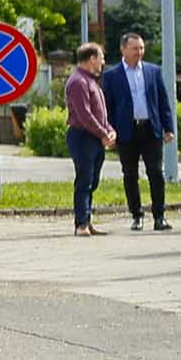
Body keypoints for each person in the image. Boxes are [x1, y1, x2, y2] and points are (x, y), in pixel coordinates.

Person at [102, 30, 173, 232]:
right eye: (135, 48)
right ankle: (137, 215)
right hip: (126, 131)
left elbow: (162, 101)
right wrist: (109, 131)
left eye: (141, 48)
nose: (139, 52)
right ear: (123, 49)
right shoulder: (111, 75)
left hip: (151, 129)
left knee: (156, 173)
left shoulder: (153, 71)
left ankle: (159, 216)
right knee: (130, 174)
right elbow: (108, 106)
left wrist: (168, 127)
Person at [65, 42, 113, 237]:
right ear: (92, 59)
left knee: (92, 181)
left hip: (94, 137)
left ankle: (87, 220)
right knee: (84, 181)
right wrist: (103, 133)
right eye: (101, 58)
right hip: (83, 136)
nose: (103, 62)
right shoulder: (78, 82)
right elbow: (84, 115)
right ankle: (81, 224)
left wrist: (109, 130)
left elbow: (101, 113)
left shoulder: (91, 81)